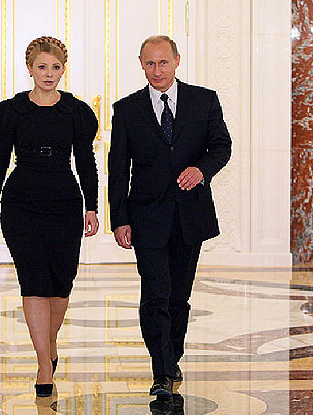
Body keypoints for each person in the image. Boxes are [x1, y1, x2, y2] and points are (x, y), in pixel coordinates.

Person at [108, 35, 232, 397]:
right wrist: (120, 218)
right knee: (155, 294)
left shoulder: (204, 100)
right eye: (150, 63)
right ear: (141, 64)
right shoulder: (127, 109)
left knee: (179, 296)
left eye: (163, 62)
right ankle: (161, 371)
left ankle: (172, 356)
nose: (157, 70)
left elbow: (221, 146)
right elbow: (118, 169)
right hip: (146, 217)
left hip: (190, 215)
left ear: (177, 61)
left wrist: (202, 169)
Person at [0, 36, 99, 397]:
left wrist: (92, 206)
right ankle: (43, 364)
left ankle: (49, 343)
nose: (49, 73)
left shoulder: (77, 112)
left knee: (61, 281)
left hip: (65, 203)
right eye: (42, 67)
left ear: (63, 69)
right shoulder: (11, 112)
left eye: (56, 67)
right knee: (33, 280)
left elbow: (86, 162)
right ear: (30, 68)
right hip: (20, 204)